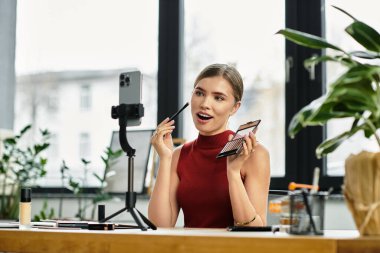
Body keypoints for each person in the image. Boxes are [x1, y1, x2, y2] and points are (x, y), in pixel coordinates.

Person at [148, 63, 270, 228]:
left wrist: (233, 173)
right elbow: (159, 226)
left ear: (235, 107)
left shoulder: (254, 153)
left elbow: (253, 231)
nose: (205, 103)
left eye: (218, 98)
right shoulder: (178, 155)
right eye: (199, 93)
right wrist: (165, 158)